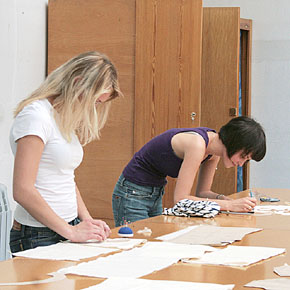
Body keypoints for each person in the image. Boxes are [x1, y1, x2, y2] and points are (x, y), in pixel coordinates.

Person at [10, 51, 123, 253]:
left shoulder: (62, 117)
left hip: (67, 225)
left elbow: (65, 177)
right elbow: (23, 190)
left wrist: (87, 220)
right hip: (38, 234)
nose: (94, 109)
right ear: (77, 83)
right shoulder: (36, 116)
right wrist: (71, 232)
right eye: (95, 101)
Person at [112, 116, 266, 226]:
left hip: (154, 192)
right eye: (243, 156)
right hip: (132, 192)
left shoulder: (213, 152)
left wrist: (228, 201)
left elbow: (203, 193)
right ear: (234, 142)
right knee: (136, 247)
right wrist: (230, 206)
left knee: (152, 245)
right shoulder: (197, 145)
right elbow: (181, 200)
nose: (241, 164)